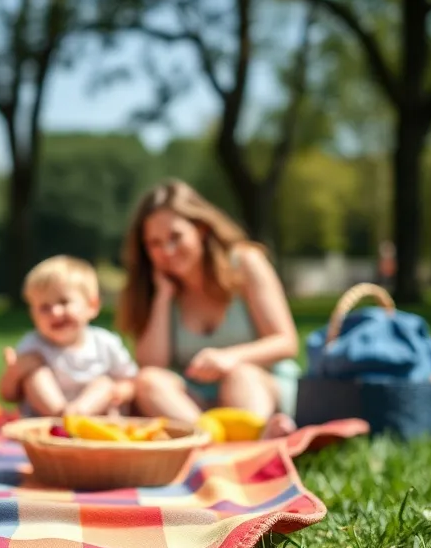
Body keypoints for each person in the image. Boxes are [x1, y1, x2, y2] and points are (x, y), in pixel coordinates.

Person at [115, 179, 300, 438]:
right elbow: (151, 364)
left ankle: (244, 438)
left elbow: (286, 342)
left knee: (240, 376)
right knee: (148, 381)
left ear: (200, 228)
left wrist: (231, 358)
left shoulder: (245, 262)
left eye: (175, 237)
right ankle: (213, 441)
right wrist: (162, 299)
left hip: (257, 386)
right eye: (154, 243)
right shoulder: (153, 287)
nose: (166, 251)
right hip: (195, 405)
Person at [0, 255, 138, 416]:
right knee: (34, 373)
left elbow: (130, 381)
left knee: (104, 383)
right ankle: (62, 416)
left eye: (64, 302)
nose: (55, 312)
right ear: (32, 314)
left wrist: (120, 390)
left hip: (93, 420)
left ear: (92, 306)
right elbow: (8, 395)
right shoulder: (32, 344)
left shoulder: (105, 343)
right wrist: (15, 371)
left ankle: (76, 415)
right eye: (44, 307)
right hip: (46, 422)